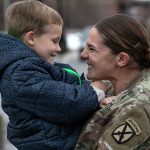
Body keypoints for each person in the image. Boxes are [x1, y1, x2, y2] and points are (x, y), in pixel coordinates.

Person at [0, 0, 114, 150]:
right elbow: (67, 103)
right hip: (50, 144)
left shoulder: (35, 68)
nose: (58, 48)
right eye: (54, 41)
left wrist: (98, 99)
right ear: (31, 38)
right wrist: (95, 91)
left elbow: (66, 84)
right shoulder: (21, 74)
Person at [74, 14, 150, 150]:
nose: (83, 54)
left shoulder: (138, 104)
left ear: (121, 59)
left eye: (92, 49)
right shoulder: (106, 89)